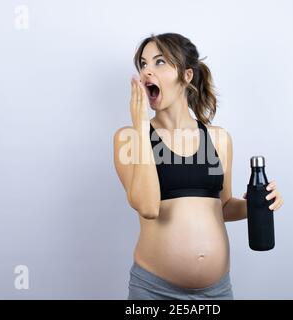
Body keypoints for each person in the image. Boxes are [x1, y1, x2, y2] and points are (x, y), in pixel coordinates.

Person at [113, 33, 284, 300]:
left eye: (159, 62)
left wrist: (258, 204)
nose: (147, 71)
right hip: (154, 291)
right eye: (143, 64)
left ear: (187, 76)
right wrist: (141, 126)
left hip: (216, 293)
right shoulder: (128, 138)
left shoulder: (218, 138)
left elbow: (224, 207)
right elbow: (147, 206)